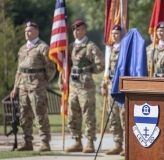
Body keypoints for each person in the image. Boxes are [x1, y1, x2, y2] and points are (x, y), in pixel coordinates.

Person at [58, 20, 104, 153]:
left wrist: (87, 72)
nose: (75, 32)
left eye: (78, 30)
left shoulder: (90, 46)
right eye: (74, 30)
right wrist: (62, 80)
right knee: (73, 114)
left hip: (86, 87)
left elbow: (100, 64)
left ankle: (90, 142)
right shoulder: (71, 46)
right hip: (73, 86)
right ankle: (77, 141)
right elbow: (66, 65)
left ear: (84, 30)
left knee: (88, 114)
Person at [10, 21, 56, 151]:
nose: (27, 33)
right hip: (23, 86)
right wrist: (15, 88)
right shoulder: (22, 49)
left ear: (37, 32)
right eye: (25, 31)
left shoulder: (43, 47)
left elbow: (51, 67)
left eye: (29, 31)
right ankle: (27, 142)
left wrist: (44, 81)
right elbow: (19, 70)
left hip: (37, 86)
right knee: (24, 115)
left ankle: (45, 142)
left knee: (40, 114)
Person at [101, 25, 125, 156]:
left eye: (116, 33)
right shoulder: (110, 49)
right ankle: (117, 144)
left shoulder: (125, 49)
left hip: (121, 87)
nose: (114, 35)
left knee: (124, 116)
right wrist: (103, 84)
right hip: (110, 86)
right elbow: (107, 69)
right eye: (113, 33)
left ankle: (127, 144)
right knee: (113, 117)